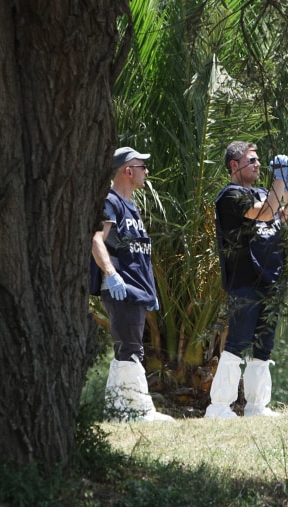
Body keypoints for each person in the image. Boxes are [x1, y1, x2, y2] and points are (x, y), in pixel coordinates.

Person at [205, 141, 288, 418]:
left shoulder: (262, 192)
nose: (258, 165)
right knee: (238, 342)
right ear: (235, 166)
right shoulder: (230, 196)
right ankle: (219, 406)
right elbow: (265, 212)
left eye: (259, 161)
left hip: (270, 278)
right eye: (252, 160)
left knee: (263, 346)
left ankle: (257, 406)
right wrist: (278, 182)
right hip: (245, 279)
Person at [91, 147, 174, 423]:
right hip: (121, 289)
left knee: (127, 348)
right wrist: (112, 274)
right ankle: (136, 412)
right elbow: (96, 240)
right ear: (128, 170)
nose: (146, 171)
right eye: (142, 166)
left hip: (136, 290)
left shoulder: (132, 207)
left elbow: (137, 252)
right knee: (130, 349)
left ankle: (120, 410)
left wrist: (149, 289)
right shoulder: (111, 202)